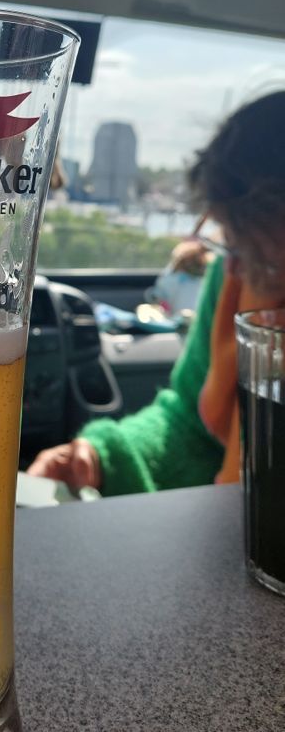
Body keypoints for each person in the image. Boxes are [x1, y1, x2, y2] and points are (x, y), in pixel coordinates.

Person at [28, 91, 285, 495]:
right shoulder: (234, 279)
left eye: (260, 254)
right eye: (231, 242)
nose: (236, 267)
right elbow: (189, 423)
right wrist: (102, 458)